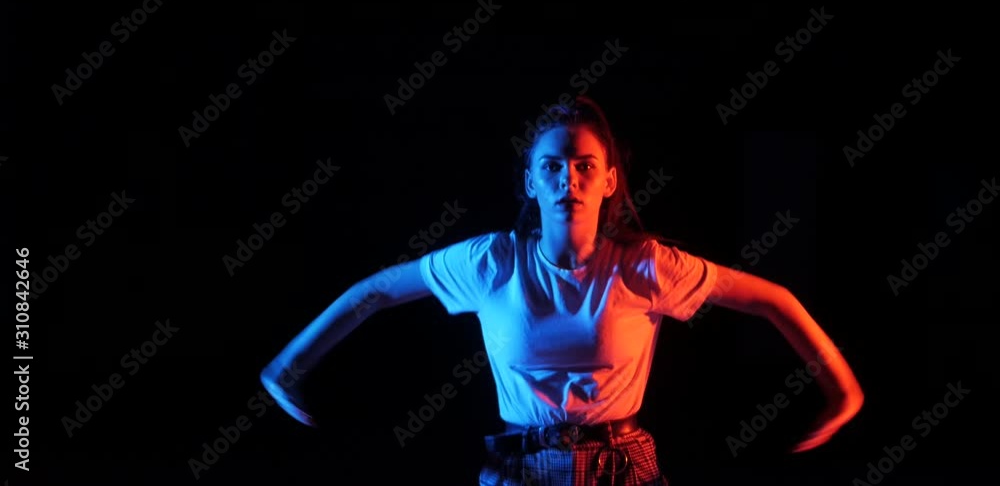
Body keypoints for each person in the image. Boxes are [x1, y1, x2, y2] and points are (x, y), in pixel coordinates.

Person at [259, 95, 864, 485]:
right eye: (551, 166)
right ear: (531, 181)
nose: (567, 179)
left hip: (622, 468)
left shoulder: (644, 267)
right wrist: (286, 367)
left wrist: (844, 392)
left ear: (609, 180)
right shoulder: (492, 263)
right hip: (515, 470)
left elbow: (773, 299)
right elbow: (376, 292)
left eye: (583, 165)